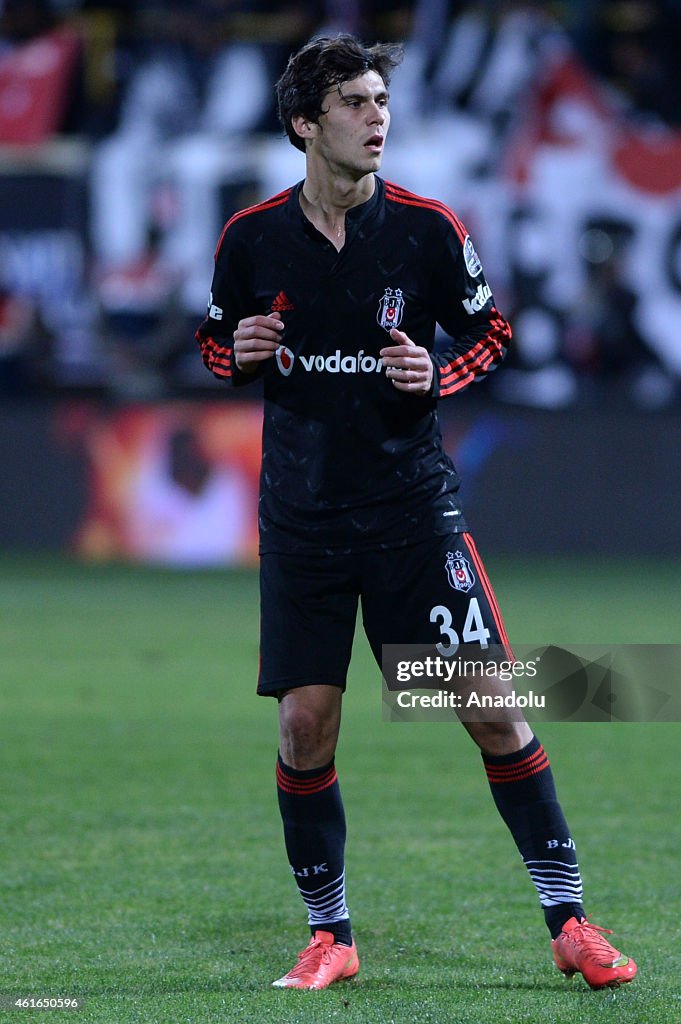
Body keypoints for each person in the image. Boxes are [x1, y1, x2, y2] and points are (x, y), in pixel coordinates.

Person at [195, 34, 637, 993]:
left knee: (488, 709)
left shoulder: (431, 229)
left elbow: (493, 333)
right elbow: (215, 342)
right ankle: (330, 936)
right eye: (354, 102)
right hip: (305, 524)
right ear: (306, 123)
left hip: (412, 519)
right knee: (306, 727)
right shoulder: (252, 239)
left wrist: (439, 371)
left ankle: (569, 921)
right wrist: (244, 348)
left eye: (381, 100)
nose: (377, 116)